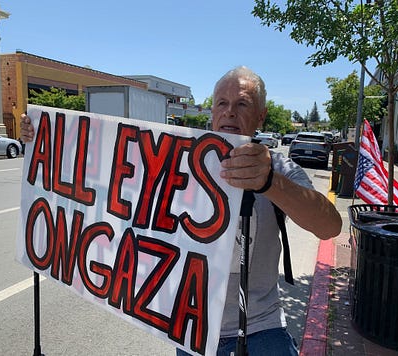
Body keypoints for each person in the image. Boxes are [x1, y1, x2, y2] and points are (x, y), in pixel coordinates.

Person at [20, 66, 342, 356]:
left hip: (261, 328)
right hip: (193, 330)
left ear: (261, 116)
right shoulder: (176, 162)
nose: (230, 112)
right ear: (212, 111)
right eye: (222, 103)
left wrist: (270, 182)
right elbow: (102, 177)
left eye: (242, 104)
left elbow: (329, 226)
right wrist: (44, 138)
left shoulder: (279, 167)